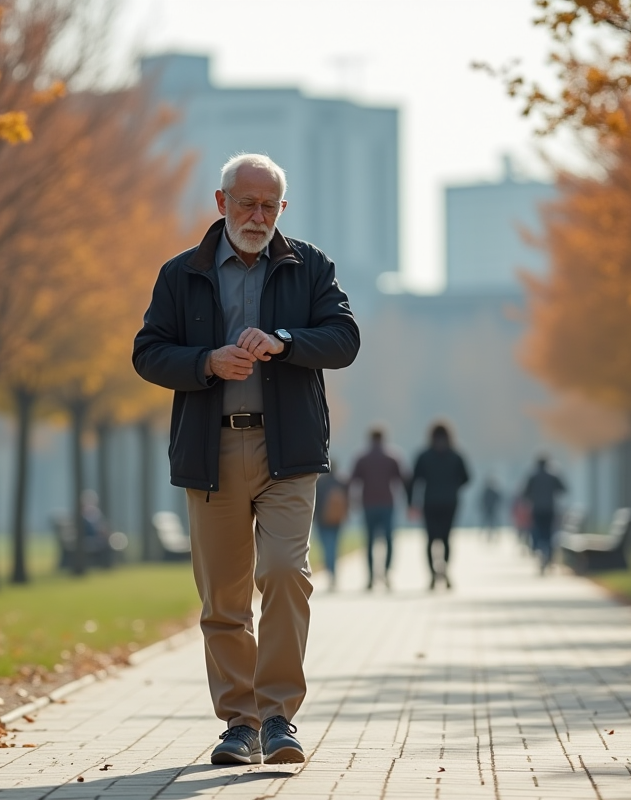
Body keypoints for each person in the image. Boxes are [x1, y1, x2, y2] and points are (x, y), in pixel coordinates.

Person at [133, 153, 360, 766]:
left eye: (269, 206)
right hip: (212, 450)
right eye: (245, 204)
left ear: (282, 209)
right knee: (225, 600)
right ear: (221, 203)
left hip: (289, 450)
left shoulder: (310, 267)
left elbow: (344, 340)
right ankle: (240, 722)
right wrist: (206, 362)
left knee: (286, 572)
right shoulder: (181, 274)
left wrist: (285, 343)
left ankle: (279, 715)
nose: (256, 216)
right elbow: (148, 353)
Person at [407, 422, 470, 590]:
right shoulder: (456, 455)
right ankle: (445, 571)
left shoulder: (424, 455)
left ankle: (433, 575)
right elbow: (466, 478)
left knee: (430, 539)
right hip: (450, 502)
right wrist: (452, 486)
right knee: (446, 539)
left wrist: (411, 503)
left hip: (430, 502)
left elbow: (414, 480)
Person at [349, 425, 410, 590]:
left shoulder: (362, 458)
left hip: (368, 503)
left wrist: (353, 501)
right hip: (387, 503)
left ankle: (370, 577)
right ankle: (387, 573)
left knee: (369, 541)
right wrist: (409, 503)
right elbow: (403, 480)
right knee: (389, 540)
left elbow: (353, 481)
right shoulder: (392, 457)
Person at [521, 454, 567, 574]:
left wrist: (533, 497)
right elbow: (563, 489)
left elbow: (524, 493)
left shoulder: (532, 477)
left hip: (537, 509)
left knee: (538, 531)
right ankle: (549, 554)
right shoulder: (553, 475)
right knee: (549, 532)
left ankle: (541, 550)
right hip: (550, 509)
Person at [314, 462, 349, 591]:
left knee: (326, 546)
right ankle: (333, 573)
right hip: (337, 519)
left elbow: (314, 502)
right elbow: (347, 500)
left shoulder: (319, 482)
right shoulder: (341, 482)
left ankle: (330, 572)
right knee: (334, 545)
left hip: (322, 520)